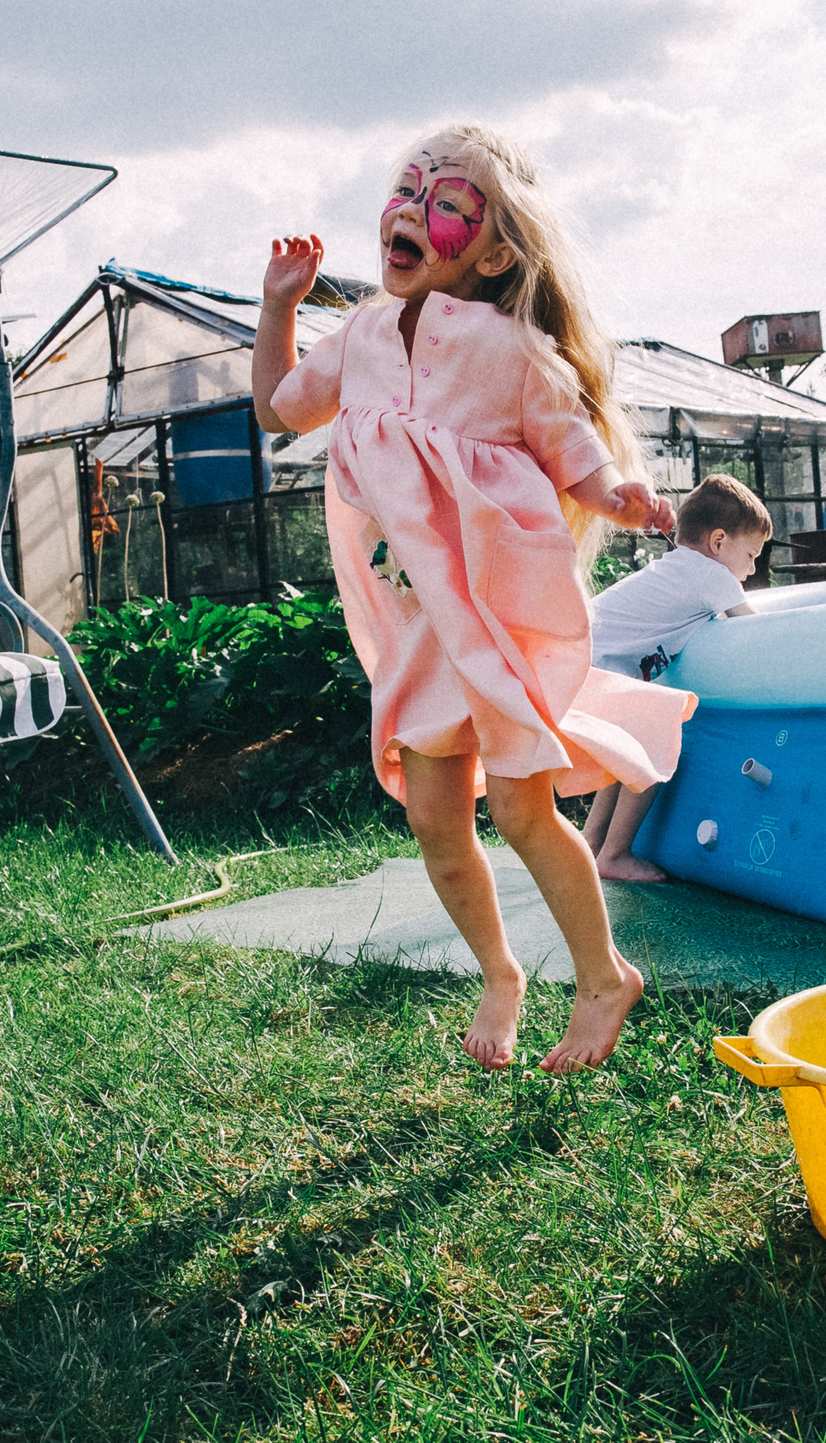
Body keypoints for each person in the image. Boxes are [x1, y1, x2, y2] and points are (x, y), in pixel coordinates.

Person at [251, 125, 692, 1072]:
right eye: (407, 189)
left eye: (447, 201)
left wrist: (622, 495)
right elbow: (281, 404)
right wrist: (278, 306)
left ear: (495, 252)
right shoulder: (364, 334)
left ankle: (604, 975)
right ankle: (500, 969)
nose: (413, 209)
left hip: (489, 618)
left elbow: (579, 456)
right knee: (436, 824)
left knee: (525, 813)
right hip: (415, 626)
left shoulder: (514, 351)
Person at [580, 474, 770, 883]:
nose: (753, 568)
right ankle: (614, 854)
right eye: (752, 555)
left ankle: (591, 843)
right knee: (651, 740)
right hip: (596, 667)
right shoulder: (711, 574)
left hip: (580, 661)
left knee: (624, 752)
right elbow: (753, 629)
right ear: (719, 543)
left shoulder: (680, 567)